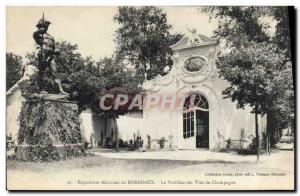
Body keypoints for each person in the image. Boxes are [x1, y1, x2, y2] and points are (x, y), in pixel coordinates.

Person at [33, 16, 69, 95]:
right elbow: (34, 35)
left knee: (55, 73)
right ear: (41, 25)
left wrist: (56, 51)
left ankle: (61, 90)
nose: (47, 26)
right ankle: (41, 89)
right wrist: (39, 31)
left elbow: (53, 48)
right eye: (45, 25)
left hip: (51, 56)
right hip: (43, 55)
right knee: (41, 72)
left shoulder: (51, 37)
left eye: (47, 25)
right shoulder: (40, 35)